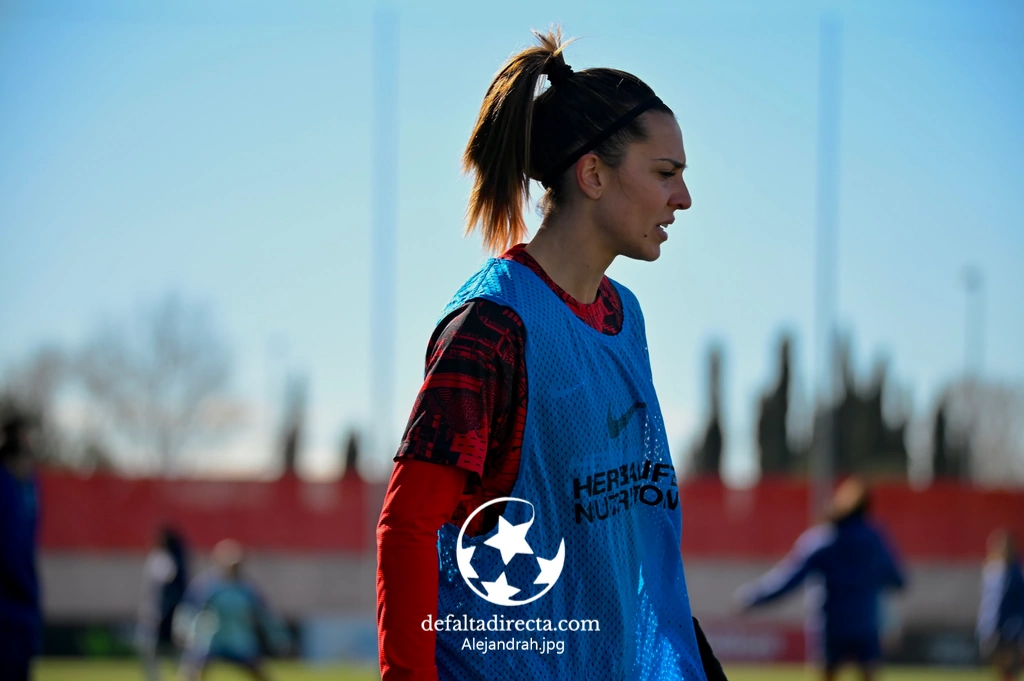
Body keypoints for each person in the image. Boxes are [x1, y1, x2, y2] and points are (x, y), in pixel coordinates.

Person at [377, 27, 725, 681]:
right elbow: (408, 526)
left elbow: (621, 532)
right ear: (593, 174)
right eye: (665, 173)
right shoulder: (491, 325)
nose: (683, 198)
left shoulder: (625, 318)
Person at [734, 478, 905, 681]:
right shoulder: (875, 539)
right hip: (866, 625)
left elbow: (789, 578)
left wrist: (752, 597)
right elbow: (898, 579)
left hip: (831, 626)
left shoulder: (823, 538)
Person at [176, 540, 289, 681]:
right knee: (192, 670)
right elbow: (188, 609)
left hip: (237, 640)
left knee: (258, 671)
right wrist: (183, 630)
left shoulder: (246, 589)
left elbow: (265, 615)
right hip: (210, 640)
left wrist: (278, 638)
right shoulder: (205, 585)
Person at [0, 413, 42, 681]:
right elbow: (11, 554)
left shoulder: (27, 488)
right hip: (10, 613)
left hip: (19, 613)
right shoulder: (6, 488)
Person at [136, 525, 190, 681]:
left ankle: (182, 676)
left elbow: (166, 586)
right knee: (151, 649)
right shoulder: (161, 558)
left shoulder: (166, 559)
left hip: (162, 614)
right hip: (156, 612)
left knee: (160, 649)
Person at [978, 529, 1024, 680]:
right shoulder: (994, 570)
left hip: (1012, 624)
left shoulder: (1015, 572)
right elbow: (990, 602)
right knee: (1001, 663)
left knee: (1010, 662)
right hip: (999, 624)